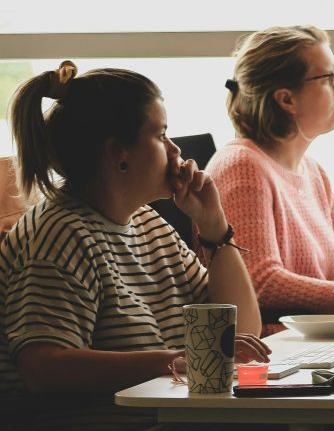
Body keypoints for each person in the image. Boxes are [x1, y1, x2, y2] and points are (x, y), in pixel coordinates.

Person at [0, 62, 269, 430]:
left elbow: (240, 332)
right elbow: (43, 366)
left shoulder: (147, 223)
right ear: (118, 153)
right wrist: (174, 359)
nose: (175, 149)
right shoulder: (58, 235)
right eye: (161, 135)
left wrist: (214, 227)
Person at [209, 26, 334, 332]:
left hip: (315, 340)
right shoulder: (242, 167)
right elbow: (261, 281)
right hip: (273, 350)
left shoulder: (312, 171)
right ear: (286, 99)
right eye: (329, 78)